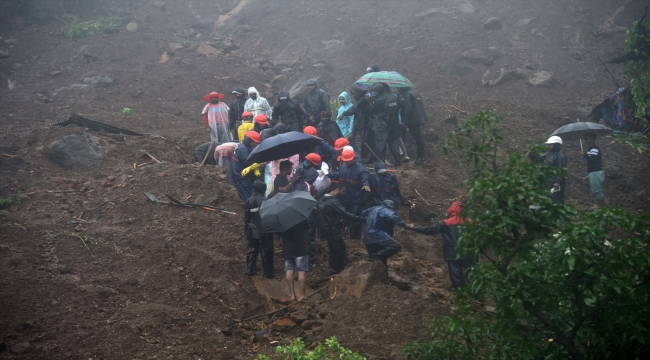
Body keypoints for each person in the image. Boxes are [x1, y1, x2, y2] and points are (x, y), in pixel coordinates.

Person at [408, 202, 475, 290]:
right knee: (472, 273)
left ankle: (460, 294)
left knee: (456, 273)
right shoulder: (470, 222)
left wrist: (414, 228)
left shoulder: (446, 223)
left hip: (452, 253)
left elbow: (430, 230)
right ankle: (479, 296)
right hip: (469, 253)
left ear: (451, 210)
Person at [317, 182, 366, 275]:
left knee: (335, 249)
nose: (343, 194)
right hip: (333, 230)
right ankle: (337, 270)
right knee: (338, 250)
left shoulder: (321, 200)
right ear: (337, 190)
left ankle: (336, 268)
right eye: (343, 191)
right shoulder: (333, 202)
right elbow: (346, 214)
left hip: (325, 229)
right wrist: (362, 219)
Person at [328, 148, 370, 239]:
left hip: (356, 199)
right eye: (346, 161)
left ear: (354, 158)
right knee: (344, 215)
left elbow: (365, 174)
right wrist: (328, 174)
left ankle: (355, 237)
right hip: (345, 197)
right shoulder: (343, 167)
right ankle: (344, 231)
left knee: (356, 218)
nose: (348, 162)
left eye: (350, 161)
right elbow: (338, 175)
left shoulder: (360, 167)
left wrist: (366, 183)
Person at [361, 200, 409, 268]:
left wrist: (366, 219)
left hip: (367, 238)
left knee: (380, 260)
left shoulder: (373, 208)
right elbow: (393, 217)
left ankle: (381, 275)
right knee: (395, 246)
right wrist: (405, 225)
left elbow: (362, 213)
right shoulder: (385, 210)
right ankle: (375, 256)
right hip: (378, 235)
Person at [244, 181, 274, 278]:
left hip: (252, 229)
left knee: (252, 249)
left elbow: (247, 217)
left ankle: (249, 269)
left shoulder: (249, 200)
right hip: (264, 229)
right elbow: (269, 217)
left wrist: (246, 231)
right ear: (263, 189)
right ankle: (267, 272)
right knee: (266, 250)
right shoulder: (266, 201)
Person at [277, 220, 311, 301]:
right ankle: (302, 295)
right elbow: (309, 231)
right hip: (301, 247)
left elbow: (276, 236)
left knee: (289, 270)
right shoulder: (300, 217)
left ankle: (292, 295)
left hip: (287, 249)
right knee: (301, 271)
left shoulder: (281, 220)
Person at [369, 84, 402, 166]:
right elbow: (400, 106)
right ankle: (396, 162)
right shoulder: (393, 97)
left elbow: (372, 110)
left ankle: (381, 163)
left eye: (375, 91)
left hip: (382, 126)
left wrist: (372, 100)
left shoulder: (379, 100)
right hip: (393, 124)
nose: (374, 93)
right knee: (394, 144)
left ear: (379, 91)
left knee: (380, 145)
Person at [529, 136, 567, 204]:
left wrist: (557, 182)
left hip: (555, 182)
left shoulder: (560, 156)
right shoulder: (548, 153)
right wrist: (531, 154)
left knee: (556, 199)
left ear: (556, 145)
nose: (548, 146)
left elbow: (561, 170)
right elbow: (539, 159)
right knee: (547, 198)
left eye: (550, 145)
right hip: (547, 181)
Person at [339, 86, 372, 160]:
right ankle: (365, 158)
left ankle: (367, 158)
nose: (353, 96)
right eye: (352, 95)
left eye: (354, 94)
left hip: (366, 124)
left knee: (366, 142)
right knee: (363, 142)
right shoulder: (361, 99)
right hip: (362, 124)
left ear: (358, 92)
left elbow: (355, 108)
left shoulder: (363, 99)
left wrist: (344, 114)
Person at [228, 131, 261, 201]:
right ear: (250, 141)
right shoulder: (243, 149)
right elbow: (248, 162)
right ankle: (250, 206)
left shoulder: (243, 146)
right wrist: (258, 165)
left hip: (239, 171)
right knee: (247, 193)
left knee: (247, 191)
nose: (254, 144)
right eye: (253, 142)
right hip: (240, 175)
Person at [398, 87, 427, 163]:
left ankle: (418, 156)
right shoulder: (415, 93)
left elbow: (407, 108)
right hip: (417, 118)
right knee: (418, 137)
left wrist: (405, 120)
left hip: (412, 119)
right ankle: (422, 155)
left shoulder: (406, 95)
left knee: (406, 136)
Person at [582, 132, 605, 208]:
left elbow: (593, 160)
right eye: (585, 139)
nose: (585, 140)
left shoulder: (594, 148)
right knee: (595, 191)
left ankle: (601, 209)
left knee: (598, 191)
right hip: (592, 172)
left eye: (587, 139)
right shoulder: (589, 149)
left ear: (593, 139)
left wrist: (585, 155)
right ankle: (599, 207)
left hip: (596, 172)